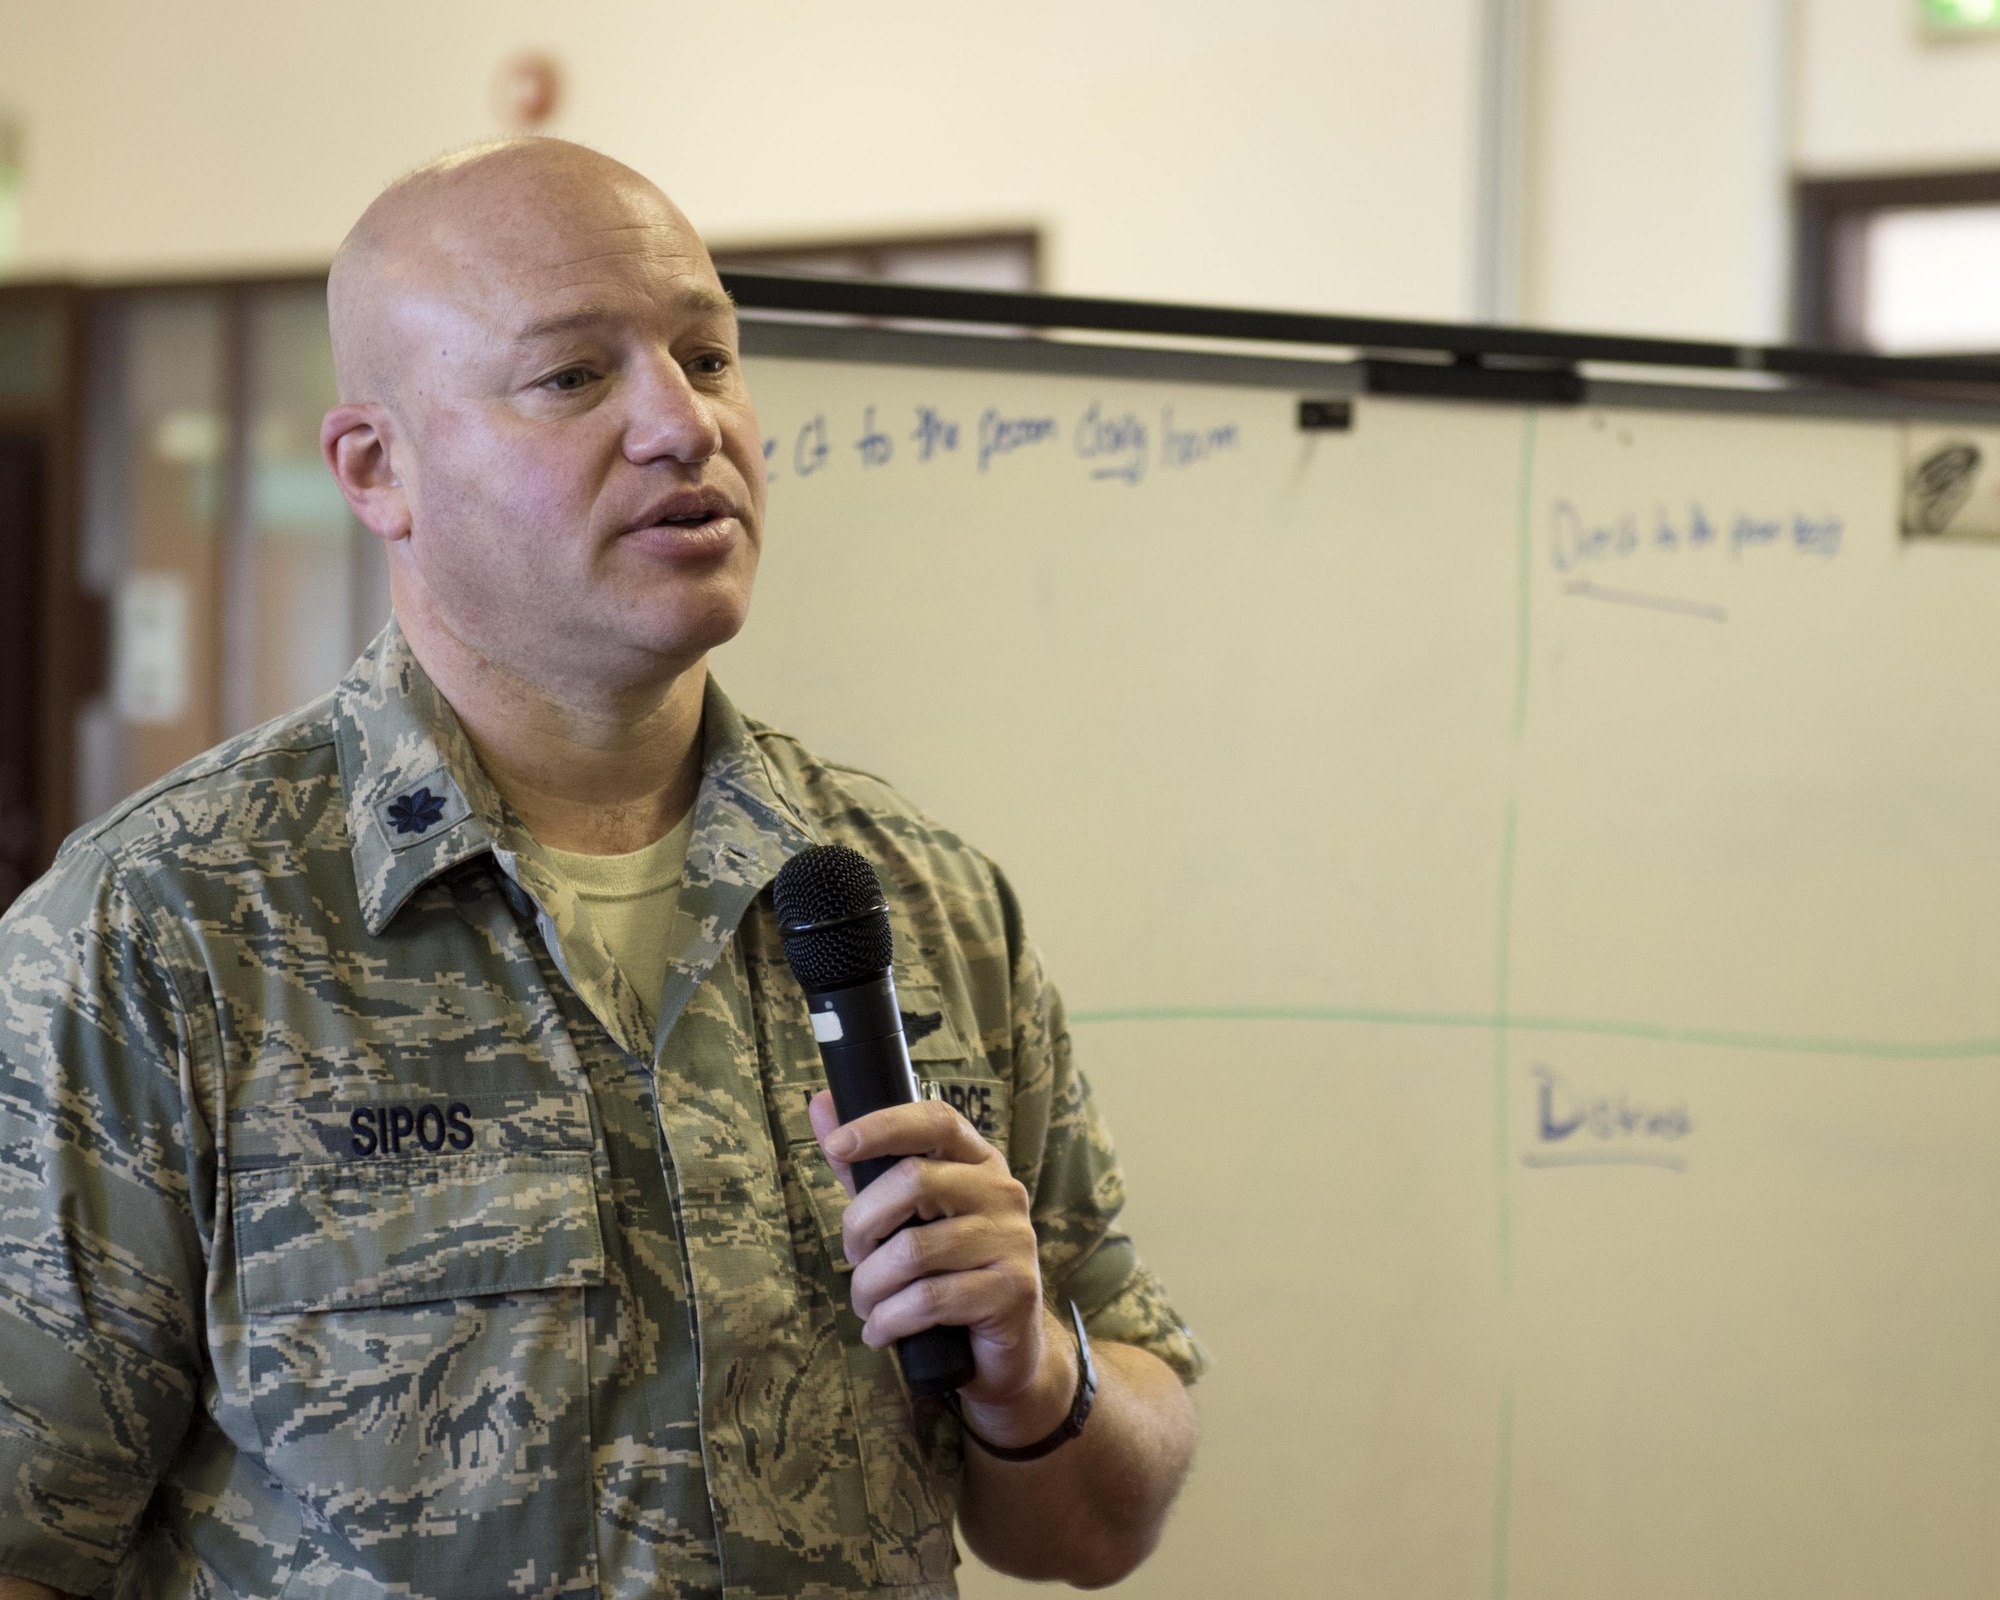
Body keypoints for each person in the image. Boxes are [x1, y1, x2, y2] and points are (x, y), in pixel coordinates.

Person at [0, 138, 1201, 1599]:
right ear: (379, 469)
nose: (681, 424)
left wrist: (1036, 1373)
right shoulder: (162, 934)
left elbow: (1093, 1525)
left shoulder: (911, 901)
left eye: (708, 354)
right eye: (573, 377)